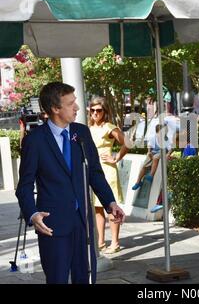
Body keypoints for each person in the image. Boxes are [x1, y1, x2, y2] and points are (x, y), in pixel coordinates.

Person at [15, 82, 125, 284]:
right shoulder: (35, 141)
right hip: (52, 224)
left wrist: (110, 202)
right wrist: (32, 213)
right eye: (70, 103)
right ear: (55, 109)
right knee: (57, 279)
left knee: (84, 278)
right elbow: (24, 186)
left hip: (83, 222)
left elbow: (95, 173)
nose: (77, 108)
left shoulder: (82, 133)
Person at [88, 97, 128, 254]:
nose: (95, 113)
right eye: (92, 110)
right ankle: (100, 242)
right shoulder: (89, 128)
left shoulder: (109, 127)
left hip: (107, 170)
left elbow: (127, 143)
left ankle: (115, 242)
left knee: (111, 208)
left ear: (105, 112)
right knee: (97, 209)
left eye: (99, 110)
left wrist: (116, 157)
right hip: (93, 171)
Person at [132, 124, 173, 190]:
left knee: (155, 158)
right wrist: (149, 152)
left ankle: (151, 175)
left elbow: (170, 148)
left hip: (161, 152)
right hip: (154, 152)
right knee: (144, 166)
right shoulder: (153, 137)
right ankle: (138, 182)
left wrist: (168, 153)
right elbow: (150, 146)